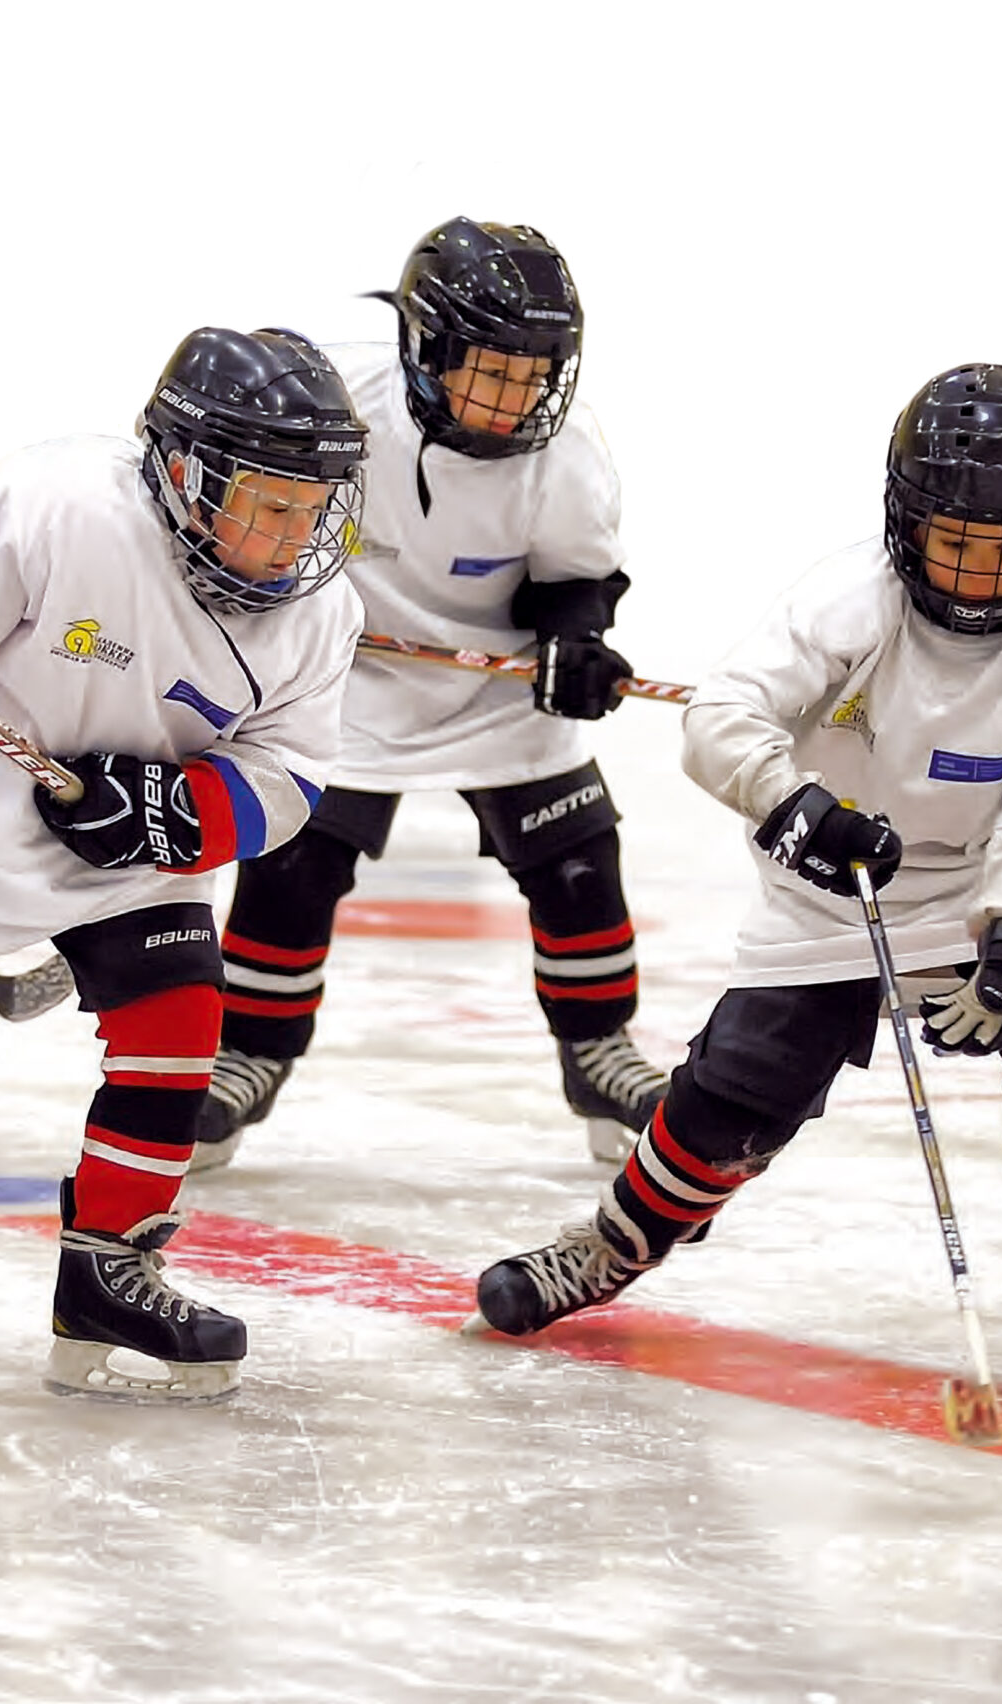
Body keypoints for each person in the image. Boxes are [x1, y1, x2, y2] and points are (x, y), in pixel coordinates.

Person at [472, 363, 1002, 1394]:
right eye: (952, 543)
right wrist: (796, 810)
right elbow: (721, 720)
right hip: (835, 886)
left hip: (989, 885)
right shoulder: (850, 601)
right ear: (905, 521)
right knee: (738, 1088)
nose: (972, 577)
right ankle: (610, 1244)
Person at [0, 326, 368, 1404]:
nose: (294, 536)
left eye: (313, 507)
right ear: (181, 475)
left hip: (135, 855)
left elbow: (292, 776)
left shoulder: (322, 611)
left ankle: (110, 1269)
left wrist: (174, 815)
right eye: (268, 503)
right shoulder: (62, 504)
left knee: (179, 1022)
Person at [194, 218, 665, 1172]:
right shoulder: (336, 394)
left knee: (577, 858)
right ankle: (248, 1053)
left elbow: (577, 581)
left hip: (490, 677)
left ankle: (598, 1049)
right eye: (488, 371)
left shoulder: (568, 450)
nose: (513, 399)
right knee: (292, 860)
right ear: (425, 348)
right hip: (343, 669)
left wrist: (576, 644)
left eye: (532, 374)